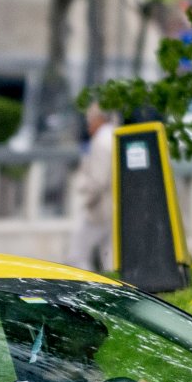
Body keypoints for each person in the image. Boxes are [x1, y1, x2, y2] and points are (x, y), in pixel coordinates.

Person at [68, 101, 118, 273]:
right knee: (109, 257)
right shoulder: (115, 135)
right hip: (114, 207)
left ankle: (83, 285)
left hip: (99, 209)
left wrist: (86, 199)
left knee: (77, 255)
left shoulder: (101, 142)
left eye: (90, 119)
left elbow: (98, 181)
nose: (88, 124)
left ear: (99, 119)